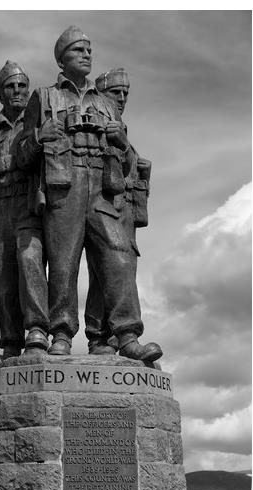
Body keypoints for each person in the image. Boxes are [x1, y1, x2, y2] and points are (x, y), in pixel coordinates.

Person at [18, 27, 161, 362]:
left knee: (119, 256)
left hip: (101, 185)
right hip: (63, 186)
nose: (86, 55)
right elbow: (23, 154)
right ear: (61, 58)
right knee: (64, 264)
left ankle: (126, 335)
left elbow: (127, 162)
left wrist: (123, 142)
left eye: (89, 50)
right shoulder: (45, 97)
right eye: (78, 50)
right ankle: (62, 333)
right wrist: (40, 136)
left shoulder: (105, 103)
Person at [84, 68, 162, 362]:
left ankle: (102, 337)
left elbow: (128, 169)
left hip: (121, 209)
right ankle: (121, 334)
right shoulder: (99, 121)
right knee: (116, 263)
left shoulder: (121, 127)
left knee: (108, 272)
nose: (121, 98)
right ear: (100, 95)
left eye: (125, 93)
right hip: (98, 204)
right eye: (115, 92)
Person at [0, 61, 49, 368]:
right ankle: (10, 343)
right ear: (0, 93)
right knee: (3, 278)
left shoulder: (36, 123)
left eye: (21, 85)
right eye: (10, 86)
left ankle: (37, 330)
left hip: (27, 204)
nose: (17, 90)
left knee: (29, 260)